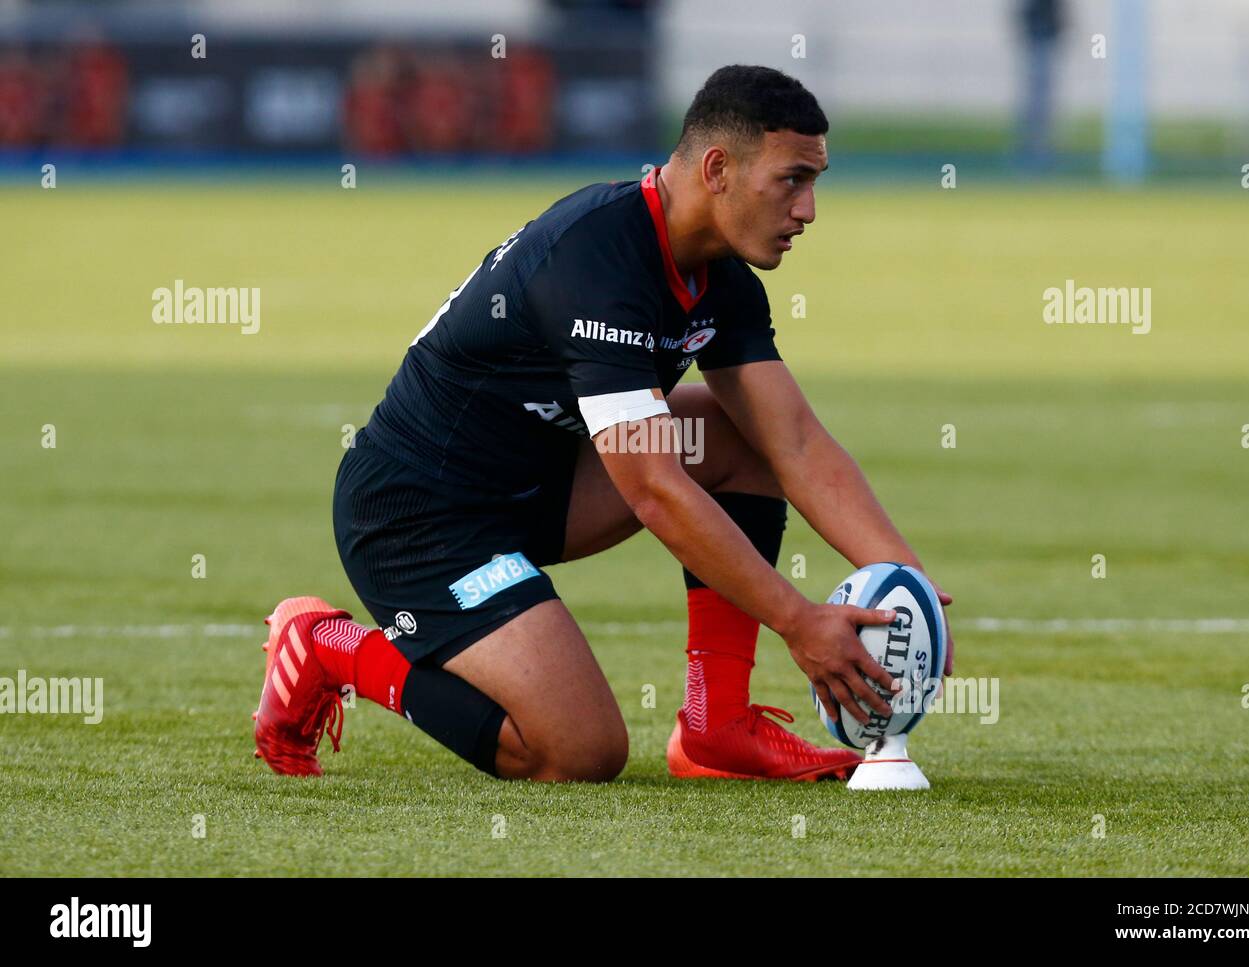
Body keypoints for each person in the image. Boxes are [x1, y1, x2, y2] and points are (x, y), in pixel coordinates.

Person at [253, 64, 954, 782]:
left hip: (540, 486)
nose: (808, 209)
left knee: (739, 437)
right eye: (792, 180)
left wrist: (911, 584)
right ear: (718, 168)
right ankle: (331, 645)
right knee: (577, 753)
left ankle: (717, 726)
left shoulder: (723, 274)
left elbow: (796, 443)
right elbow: (654, 489)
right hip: (420, 518)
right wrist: (800, 622)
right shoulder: (597, 260)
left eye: (815, 182)